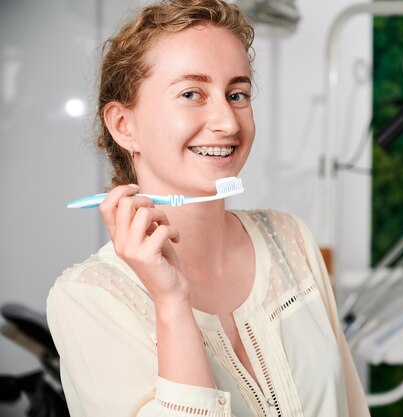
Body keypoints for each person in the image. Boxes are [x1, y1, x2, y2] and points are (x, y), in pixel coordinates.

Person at [46, 0, 370, 416]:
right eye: (191, 93)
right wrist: (171, 303)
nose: (228, 122)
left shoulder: (291, 238)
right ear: (124, 125)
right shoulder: (86, 299)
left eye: (238, 94)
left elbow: (353, 406)